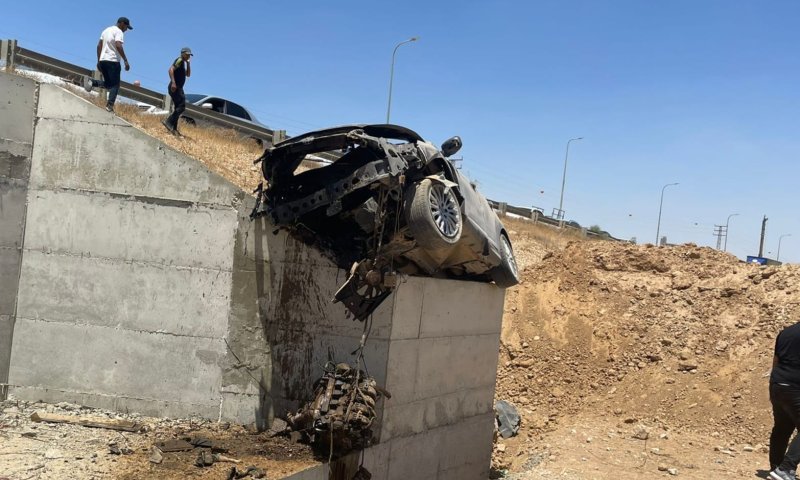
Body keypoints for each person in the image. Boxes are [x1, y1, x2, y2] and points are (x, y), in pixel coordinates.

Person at [769, 321, 800, 480]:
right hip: (795, 387)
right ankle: (785, 469)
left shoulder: (786, 333)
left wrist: (775, 383)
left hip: (777, 384)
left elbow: (776, 360)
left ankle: (776, 467)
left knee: (782, 427)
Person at [83, 17, 132, 112]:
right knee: (115, 85)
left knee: (109, 84)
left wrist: (98, 61)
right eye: (126, 27)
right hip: (113, 61)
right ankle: (109, 106)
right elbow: (118, 45)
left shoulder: (106, 30)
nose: (126, 29)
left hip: (103, 60)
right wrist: (125, 60)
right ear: (122, 23)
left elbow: (98, 46)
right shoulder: (119, 32)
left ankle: (91, 82)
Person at [161, 47, 193, 135]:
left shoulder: (183, 63)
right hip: (176, 87)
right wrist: (174, 83)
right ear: (182, 53)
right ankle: (168, 122)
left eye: (189, 55)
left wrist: (188, 64)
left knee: (178, 108)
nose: (188, 56)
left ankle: (173, 128)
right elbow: (170, 70)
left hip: (178, 88)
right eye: (187, 54)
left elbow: (188, 74)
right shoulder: (179, 60)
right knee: (182, 107)